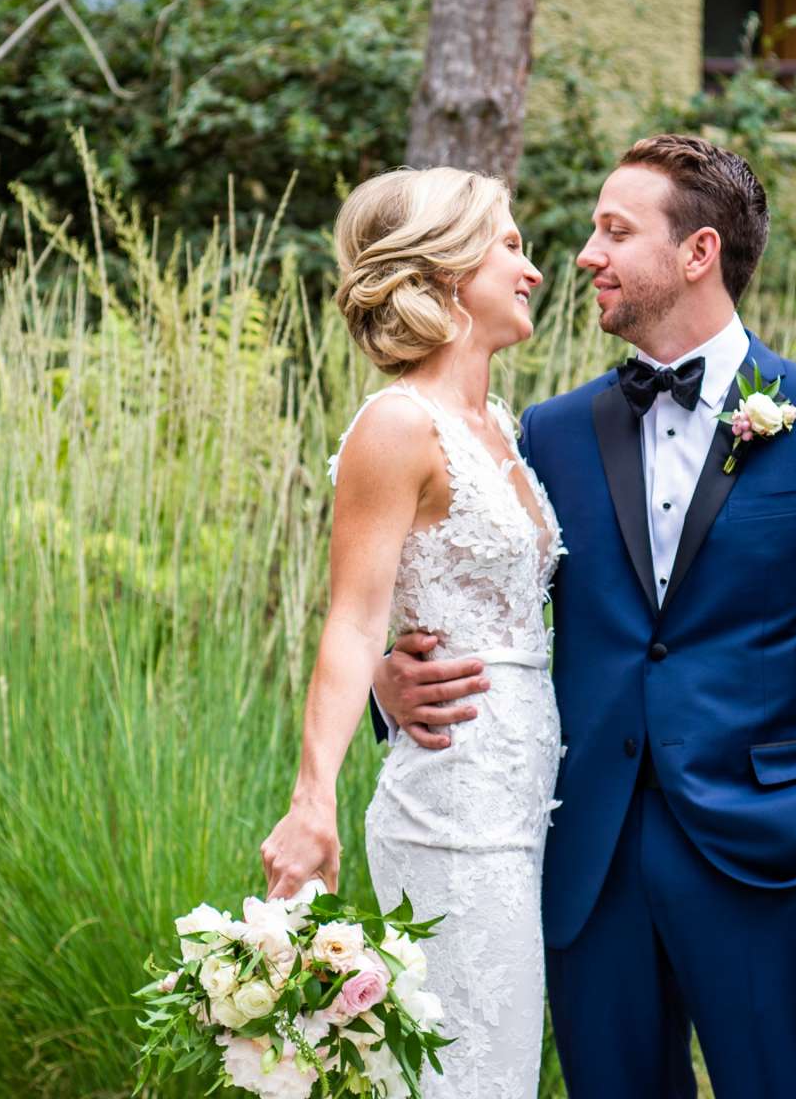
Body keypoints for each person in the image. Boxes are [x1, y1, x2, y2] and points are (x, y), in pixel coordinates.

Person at [373, 134, 796, 1099]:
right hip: (589, 864)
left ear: (698, 253)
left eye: (615, 231)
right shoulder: (549, 435)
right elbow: (488, 607)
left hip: (774, 858)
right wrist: (388, 685)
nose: (584, 256)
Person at [259, 165, 561, 1099]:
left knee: (498, 1068)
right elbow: (352, 623)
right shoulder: (398, 425)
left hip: (524, 811)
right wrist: (314, 802)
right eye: (510, 244)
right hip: (454, 812)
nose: (534, 269)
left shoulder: (499, 427)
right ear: (445, 268)